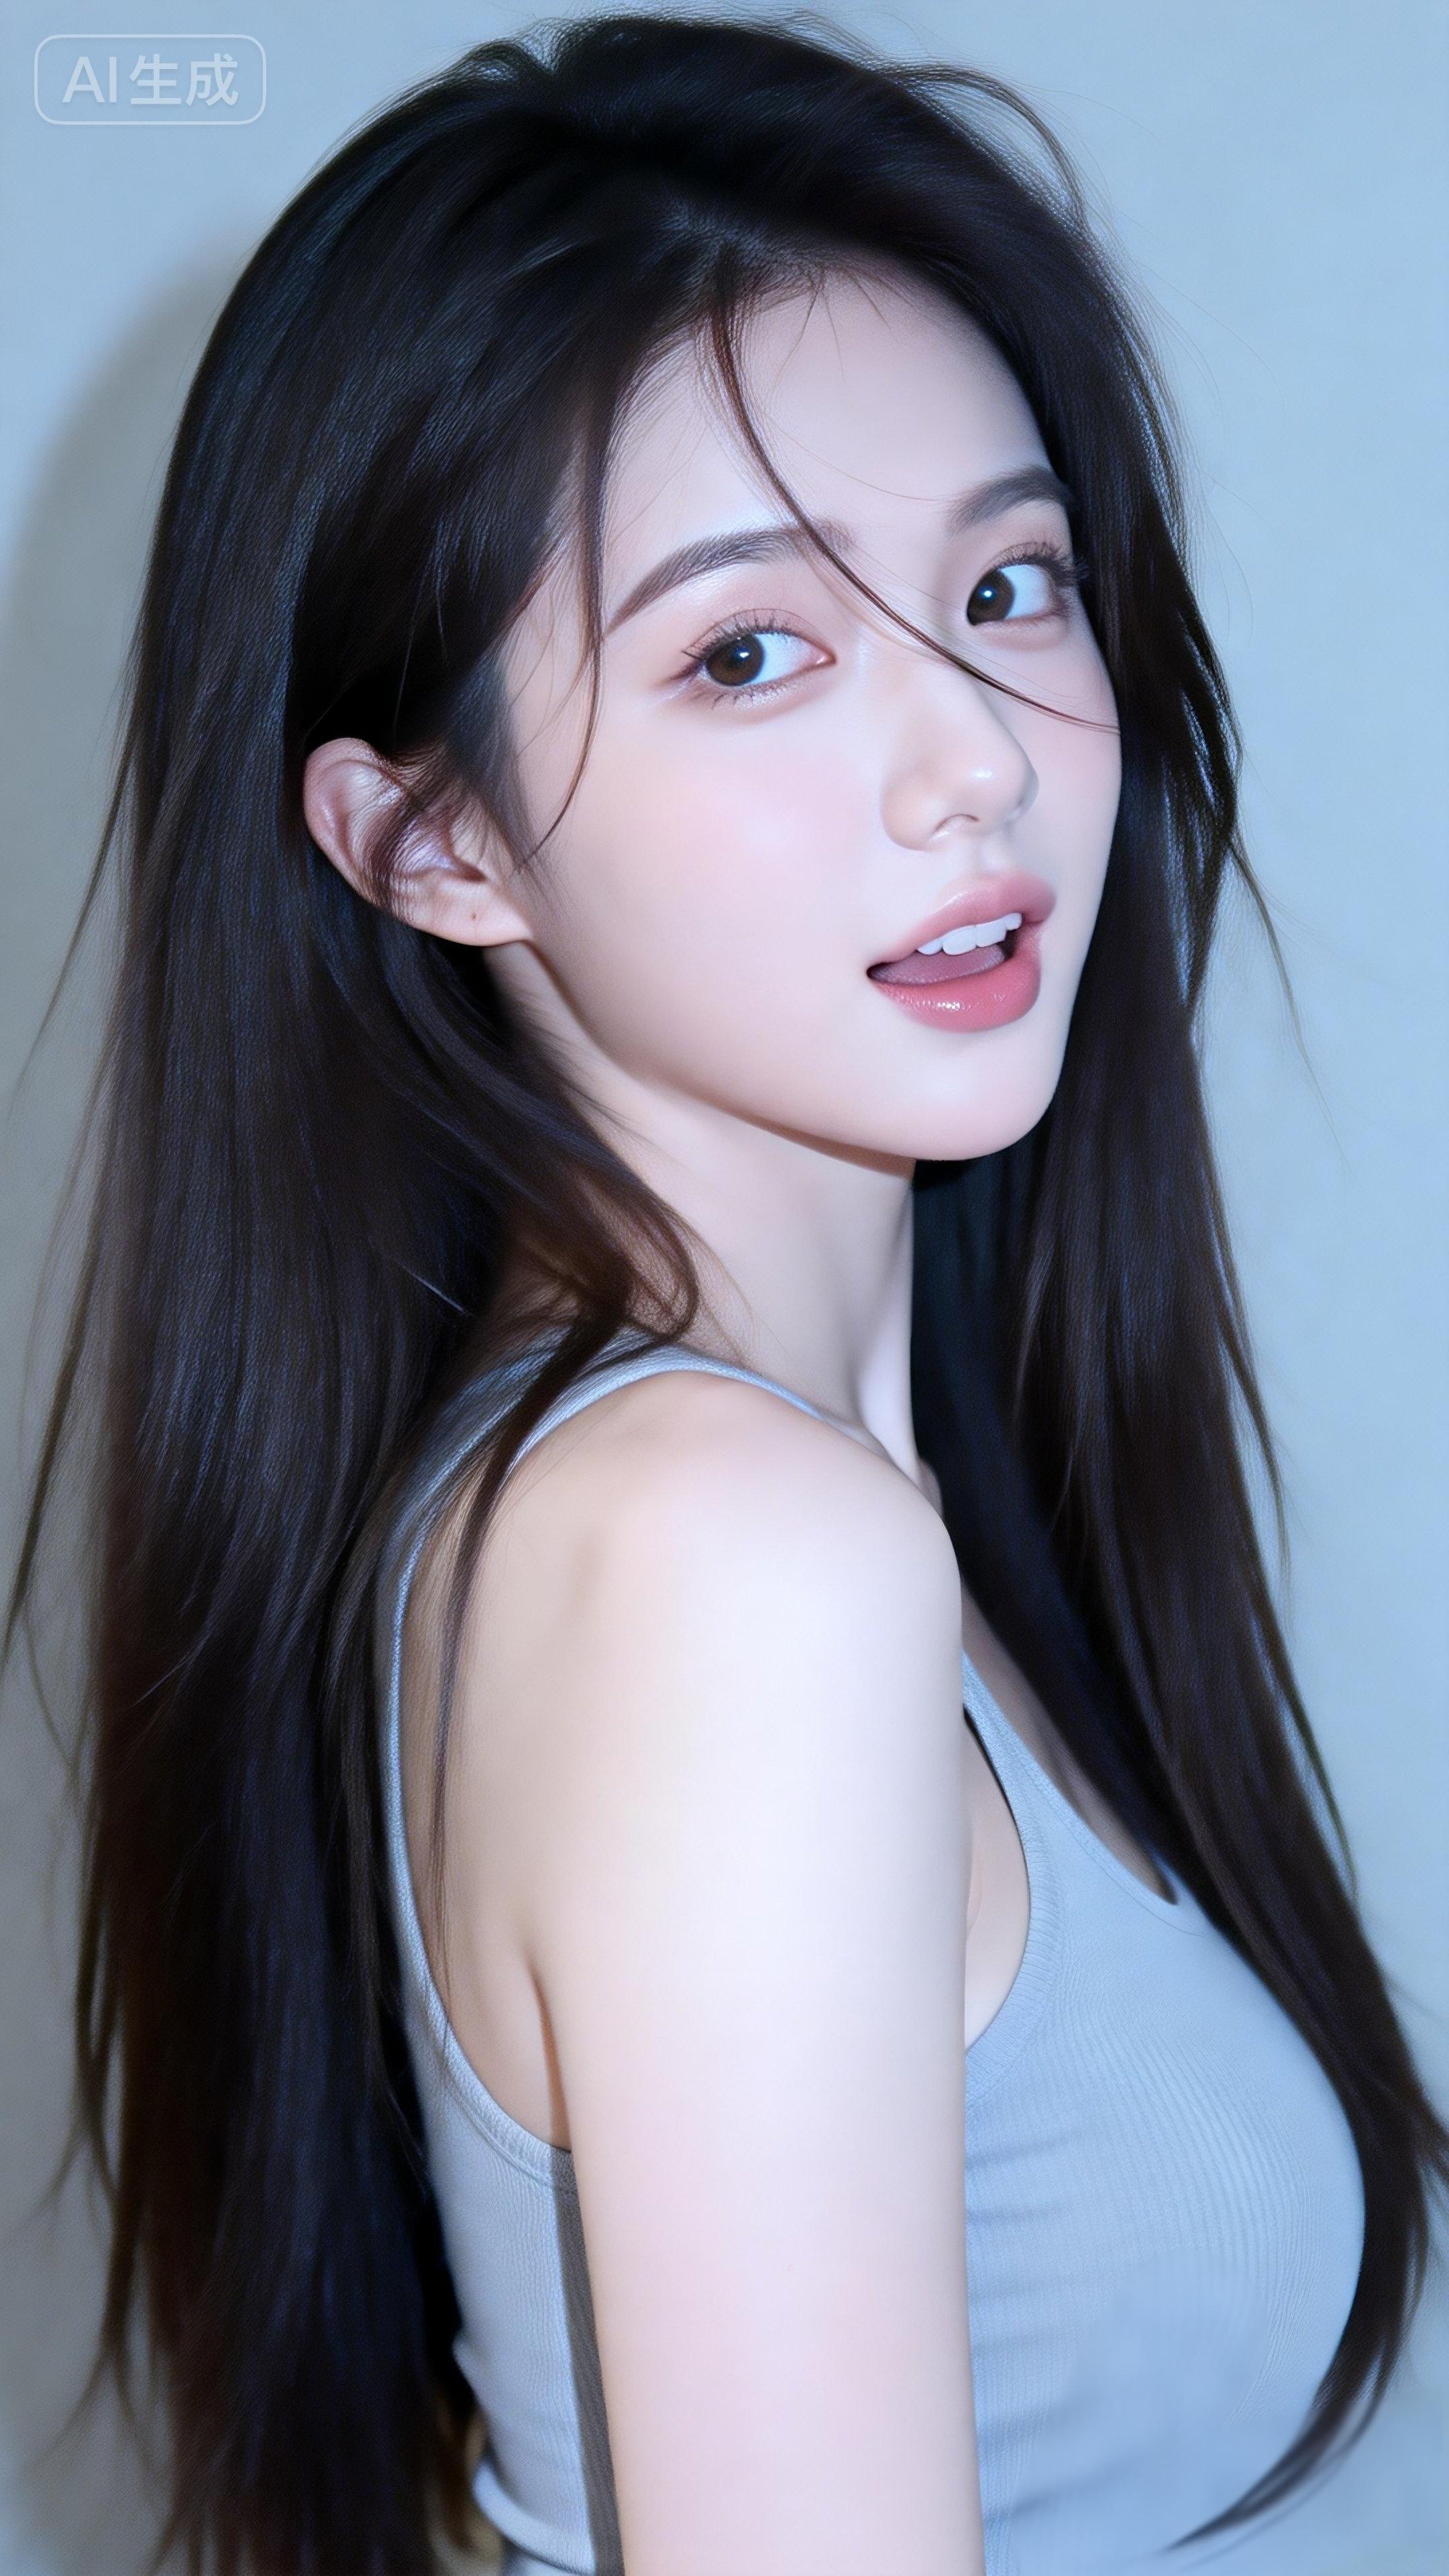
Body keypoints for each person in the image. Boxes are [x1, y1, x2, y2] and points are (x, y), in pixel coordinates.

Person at [10, 13, 1445, 2575]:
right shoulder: (728, 1560)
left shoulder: (756, 1503)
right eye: (749, 654)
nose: (974, 759)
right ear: (433, 843)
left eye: (1005, 586)